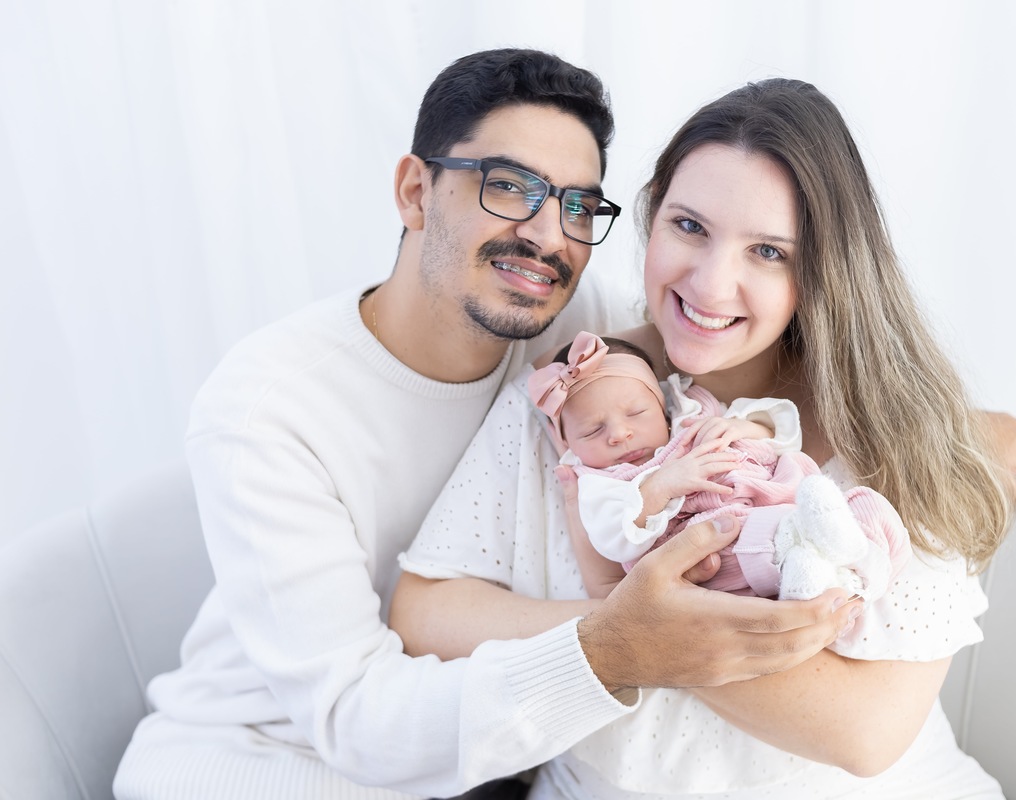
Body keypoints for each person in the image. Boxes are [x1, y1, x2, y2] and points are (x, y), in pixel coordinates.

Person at [112, 49, 871, 800]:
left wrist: (968, 434)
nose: (547, 236)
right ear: (415, 191)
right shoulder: (269, 408)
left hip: (485, 761)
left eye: (577, 205)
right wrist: (615, 645)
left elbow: (743, 356)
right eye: (508, 187)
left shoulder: (579, 325)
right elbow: (354, 720)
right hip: (272, 759)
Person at [392, 77, 1016, 798]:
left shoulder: (898, 432)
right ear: (652, 216)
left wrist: (651, 632)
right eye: (689, 226)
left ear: (824, 269)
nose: (710, 286)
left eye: (768, 252)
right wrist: (619, 632)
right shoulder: (584, 391)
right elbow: (426, 610)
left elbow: (866, 734)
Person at [527, 330, 911, 606]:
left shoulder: (692, 413)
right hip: (733, 541)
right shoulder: (602, 483)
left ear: (662, 404)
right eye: (593, 430)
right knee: (766, 546)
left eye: (636, 412)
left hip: (787, 493)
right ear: (569, 446)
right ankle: (813, 572)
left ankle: (864, 559)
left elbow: (782, 430)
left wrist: (744, 426)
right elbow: (613, 537)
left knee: (864, 504)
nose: (619, 434)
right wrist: (661, 486)